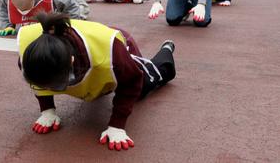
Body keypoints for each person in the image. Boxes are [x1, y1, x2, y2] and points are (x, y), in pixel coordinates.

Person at [18, 13, 176, 151]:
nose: (49, 88)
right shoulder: (29, 53)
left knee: (143, 86)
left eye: (55, 85)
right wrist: (47, 110)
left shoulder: (111, 55)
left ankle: (166, 50)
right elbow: (39, 78)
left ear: (71, 62)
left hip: (119, 44)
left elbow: (132, 82)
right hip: (85, 48)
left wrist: (117, 125)